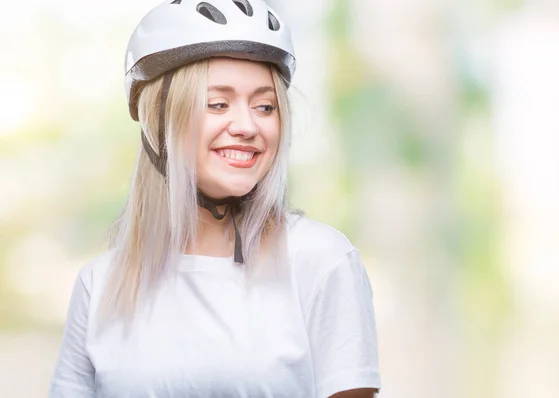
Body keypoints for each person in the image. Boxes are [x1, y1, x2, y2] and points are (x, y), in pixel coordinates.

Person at [49, 0, 381, 397]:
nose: (246, 126)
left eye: (264, 106)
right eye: (218, 103)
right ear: (159, 121)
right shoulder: (101, 283)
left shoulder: (321, 260)